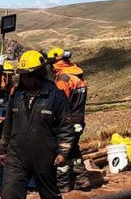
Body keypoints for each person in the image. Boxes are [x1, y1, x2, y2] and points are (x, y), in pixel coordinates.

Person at [0, 50, 74, 199]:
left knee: (49, 194)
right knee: (10, 194)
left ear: (39, 73)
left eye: (29, 75)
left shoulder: (55, 96)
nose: (25, 79)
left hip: (44, 156)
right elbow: (8, 123)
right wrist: (3, 149)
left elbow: (65, 126)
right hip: (17, 155)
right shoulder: (17, 95)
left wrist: (63, 152)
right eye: (23, 75)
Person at [51, 48, 91, 192]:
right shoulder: (78, 76)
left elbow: (60, 103)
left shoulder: (64, 79)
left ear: (55, 63)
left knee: (62, 151)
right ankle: (82, 179)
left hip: (67, 121)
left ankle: (62, 185)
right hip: (79, 119)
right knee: (73, 149)